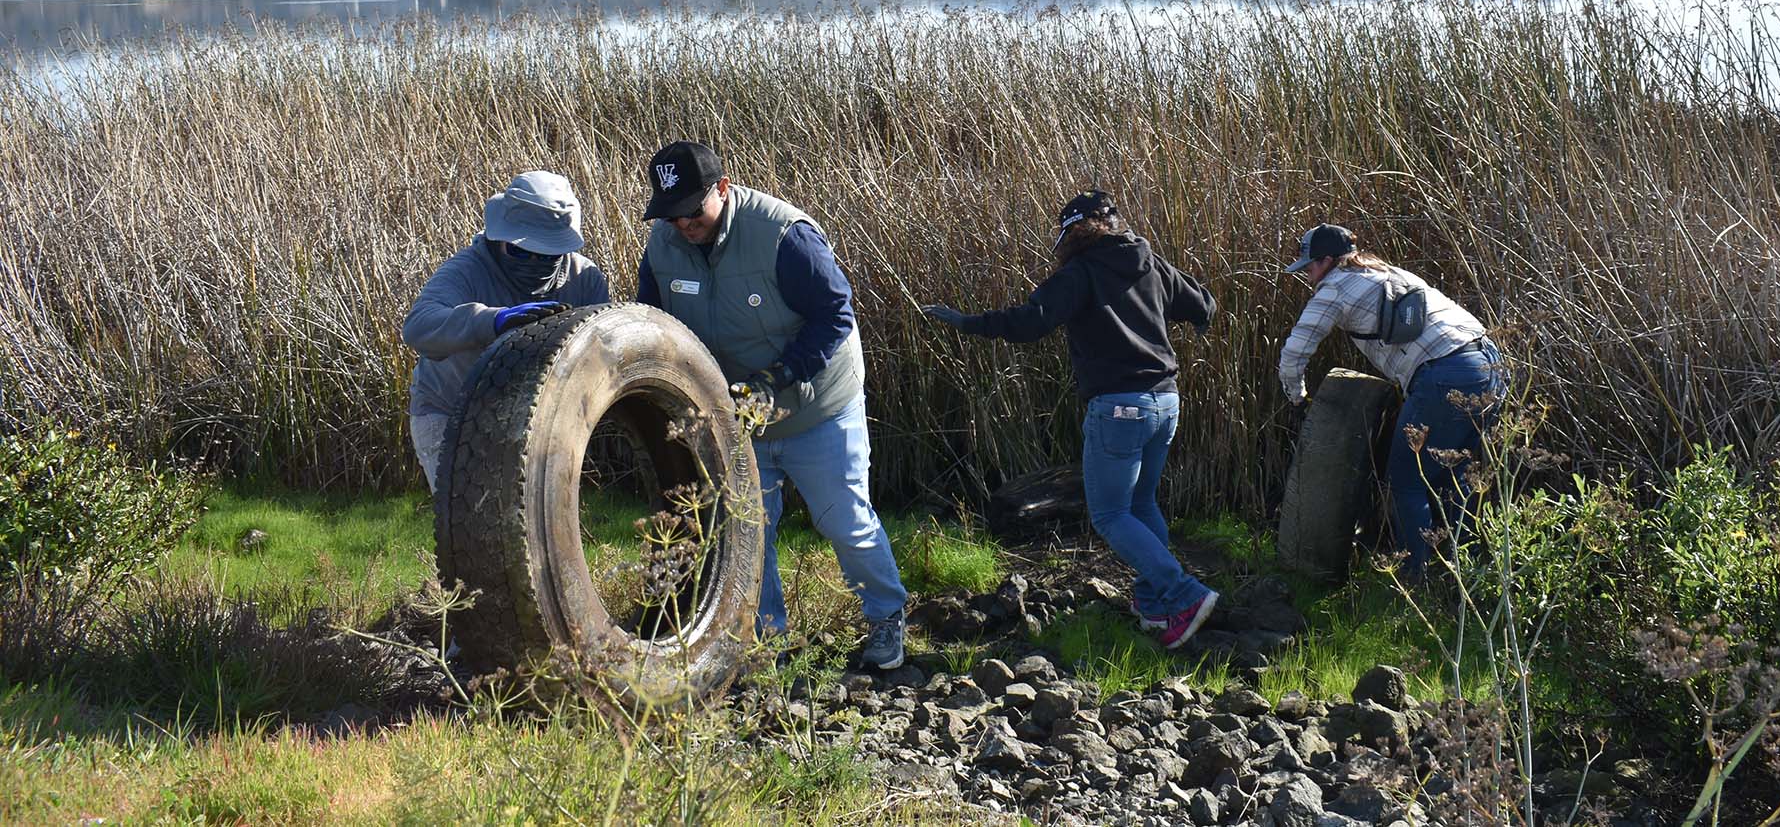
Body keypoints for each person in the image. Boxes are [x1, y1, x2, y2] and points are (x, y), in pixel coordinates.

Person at [635, 140, 909, 669]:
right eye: (670, 214)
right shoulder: (663, 247)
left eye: (693, 210)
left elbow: (835, 315)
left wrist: (777, 378)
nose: (683, 224)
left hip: (817, 405)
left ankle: (884, 617)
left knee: (844, 519)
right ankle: (766, 642)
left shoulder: (784, 235)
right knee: (747, 528)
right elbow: (654, 325)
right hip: (737, 414)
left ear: (723, 188)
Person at [921, 191, 1221, 650]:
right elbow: (1202, 301)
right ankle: (1155, 603)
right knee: (1142, 506)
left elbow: (1030, 321)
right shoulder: (1149, 260)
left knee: (1110, 514)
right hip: (1165, 402)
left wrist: (968, 322)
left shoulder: (1080, 274)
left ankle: (1184, 594)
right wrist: (1199, 317)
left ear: (1075, 233)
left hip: (1120, 407)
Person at [1276, 223, 1504, 583]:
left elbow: (1293, 354)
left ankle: (1418, 582)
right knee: (1455, 479)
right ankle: (1472, 578)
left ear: (1329, 261)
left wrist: (1298, 397)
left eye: (1309, 265)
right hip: (1489, 363)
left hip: (1445, 373)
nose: (1307, 274)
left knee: (1407, 482)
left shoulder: (1333, 289)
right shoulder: (1386, 271)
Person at [403, 171, 611, 491]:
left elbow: (600, 355)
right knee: (469, 519)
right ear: (501, 238)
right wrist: (490, 321)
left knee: (526, 524)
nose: (533, 262)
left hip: (530, 420)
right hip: (450, 412)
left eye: (546, 255)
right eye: (521, 251)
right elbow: (418, 327)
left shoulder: (584, 279)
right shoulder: (467, 270)